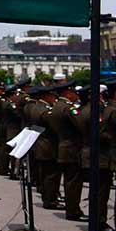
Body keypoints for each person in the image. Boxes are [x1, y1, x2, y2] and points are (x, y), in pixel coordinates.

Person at [76, 83, 115, 231]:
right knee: (100, 192)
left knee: (97, 191)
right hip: (98, 155)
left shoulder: (85, 110)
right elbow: (99, 133)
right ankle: (99, 222)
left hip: (91, 153)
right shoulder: (94, 112)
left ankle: (97, 220)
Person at [47, 77, 86, 220]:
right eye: (73, 92)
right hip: (72, 148)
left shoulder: (56, 107)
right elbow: (80, 125)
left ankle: (72, 209)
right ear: (68, 93)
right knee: (73, 182)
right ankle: (73, 211)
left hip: (63, 145)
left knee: (69, 181)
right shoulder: (68, 108)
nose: (75, 95)